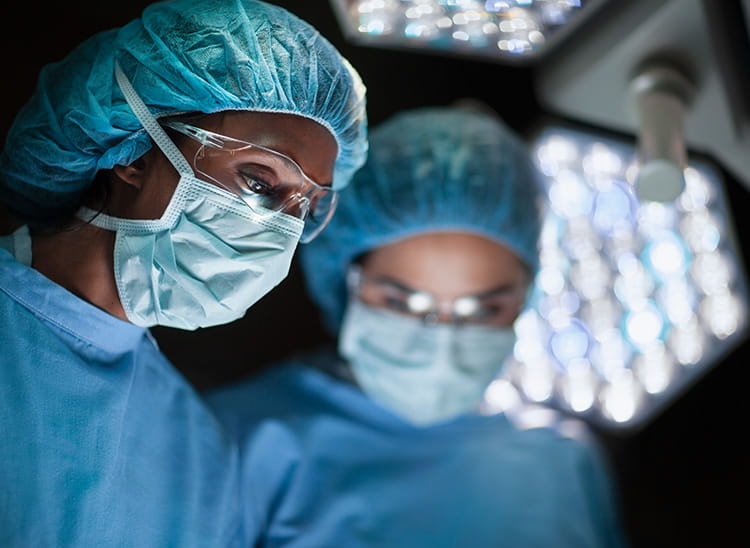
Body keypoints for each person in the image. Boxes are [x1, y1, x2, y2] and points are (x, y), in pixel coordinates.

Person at [0, 0, 367, 545]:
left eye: (304, 207)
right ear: (138, 153)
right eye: (261, 182)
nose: (280, 231)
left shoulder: (197, 454)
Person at [207, 105, 629, 547]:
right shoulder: (238, 441)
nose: (441, 337)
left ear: (525, 299)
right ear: (346, 282)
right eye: (403, 302)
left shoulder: (559, 461)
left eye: (481, 310)